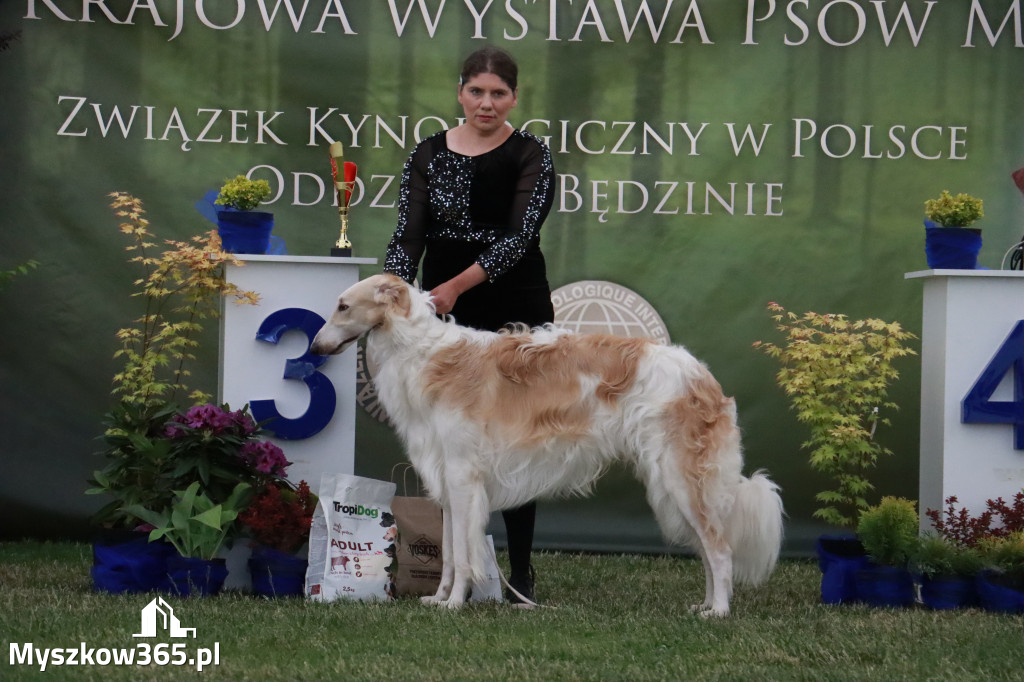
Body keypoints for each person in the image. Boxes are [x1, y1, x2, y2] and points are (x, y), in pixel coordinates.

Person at [383, 46, 555, 605]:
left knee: (519, 437)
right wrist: (391, 288)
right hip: (443, 315)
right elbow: (409, 234)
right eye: (476, 91)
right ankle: (459, 569)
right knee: (451, 445)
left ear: (514, 98)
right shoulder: (428, 153)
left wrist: (456, 285)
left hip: (512, 306)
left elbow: (519, 236)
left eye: (498, 93)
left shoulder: (532, 154)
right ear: (460, 92)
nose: (487, 103)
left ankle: (521, 573)